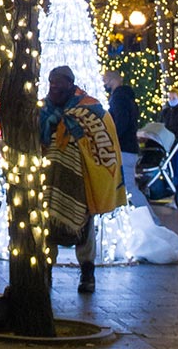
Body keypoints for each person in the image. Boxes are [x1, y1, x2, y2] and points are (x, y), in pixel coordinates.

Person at [41, 66, 126, 294]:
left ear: (70, 83)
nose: (54, 88)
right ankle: (45, 272)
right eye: (51, 83)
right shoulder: (44, 109)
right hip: (49, 181)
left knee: (84, 229)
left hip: (82, 181)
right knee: (47, 226)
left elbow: (103, 145)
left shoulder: (91, 109)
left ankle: (87, 273)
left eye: (58, 83)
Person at [104, 70, 145, 208]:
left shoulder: (118, 98)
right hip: (129, 148)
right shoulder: (128, 97)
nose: (104, 83)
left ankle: (151, 219)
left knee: (129, 187)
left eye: (105, 80)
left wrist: (111, 139)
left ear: (112, 80)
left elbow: (121, 123)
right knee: (127, 186)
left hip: (123, 149)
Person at [160, 87, 178, 195]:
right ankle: (170, 191)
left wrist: (176, 138)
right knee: (169, 170)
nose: (171, 99)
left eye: (174, 97)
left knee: (177, 171)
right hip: (166, 145)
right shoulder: (166, 112)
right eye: (170, 97)